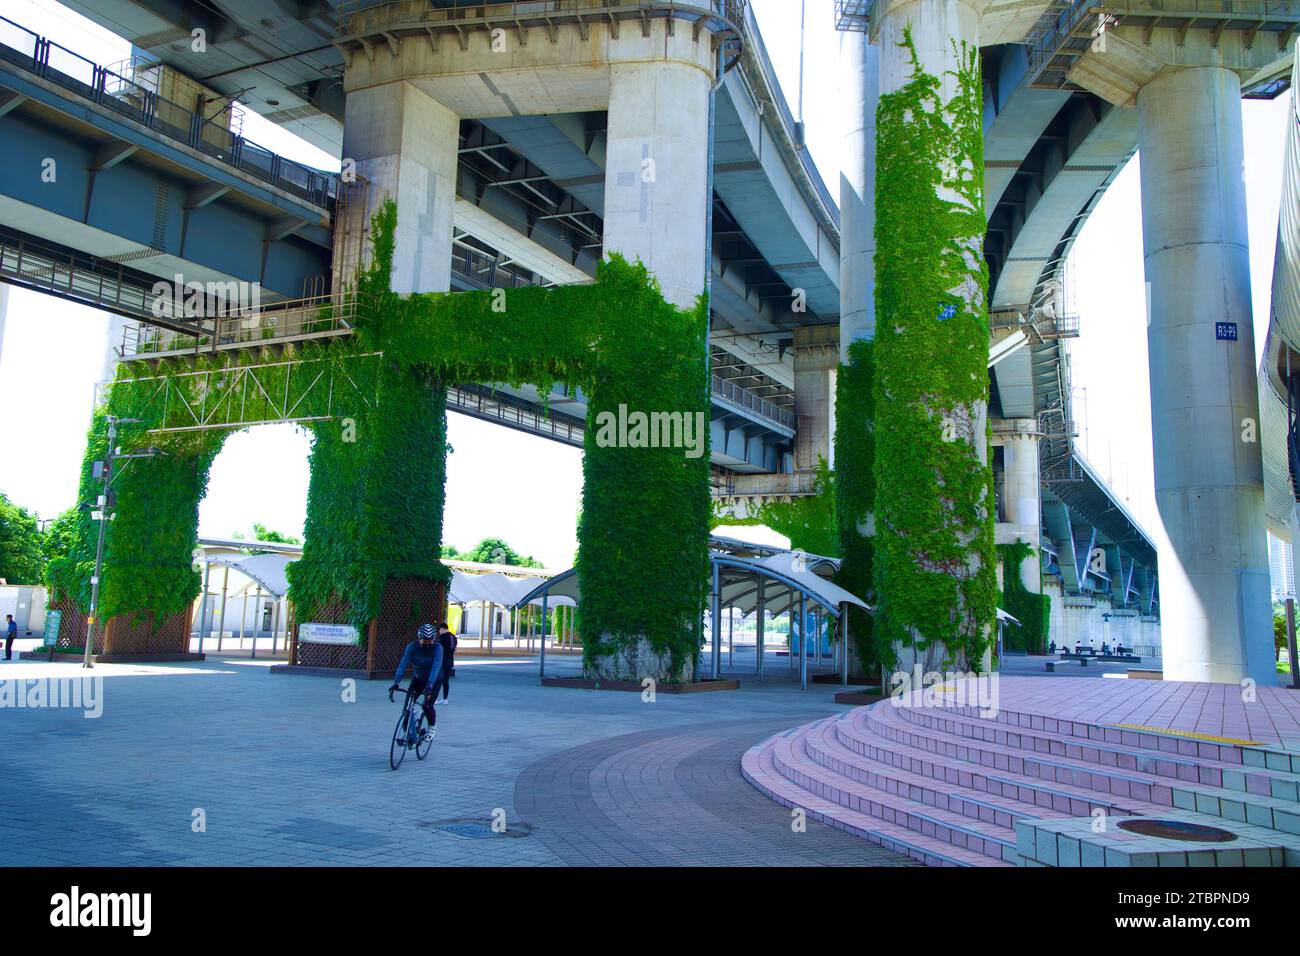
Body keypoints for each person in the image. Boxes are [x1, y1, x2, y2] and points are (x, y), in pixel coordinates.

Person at [389, 623, 444, 745]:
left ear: (434, 640)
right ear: (419, 638)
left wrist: (430, 686)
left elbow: (436, 667)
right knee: (407, 707)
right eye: (424, 641)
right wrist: (396, 682)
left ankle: (431, 728)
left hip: (434, 680)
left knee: (427, 705)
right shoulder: (412, 647)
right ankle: (405, 732)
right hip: (419, 678)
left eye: (430, 642)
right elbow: (403, 663)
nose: (427, 644)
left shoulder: (438, 648)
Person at [435, 621, 457, 705]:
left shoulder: (442, 637)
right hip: (450, 660)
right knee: (445, 680)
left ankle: (435, 698)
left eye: (439, 630)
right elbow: (454, 649)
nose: (439, 632)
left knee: (437, 680)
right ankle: (445, 699)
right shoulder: (453, 637)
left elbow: (437, 649)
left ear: (442, 629)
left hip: (442, 661)